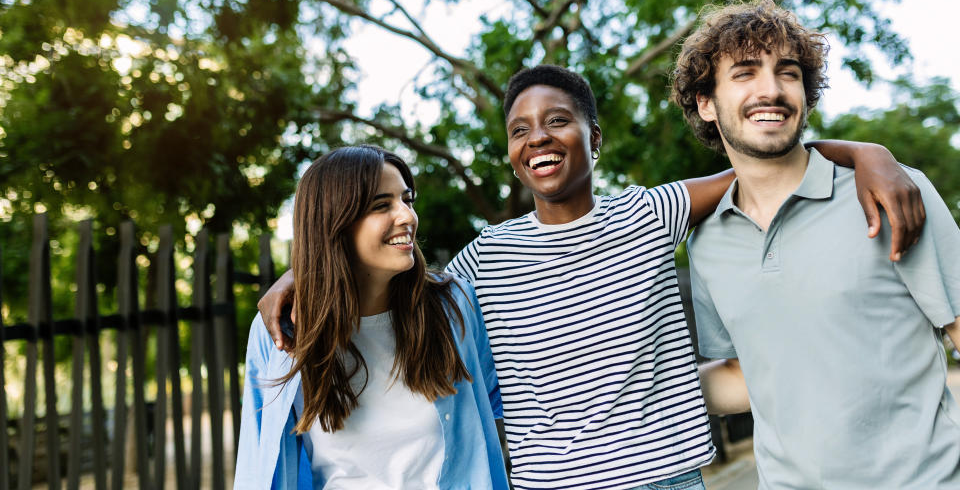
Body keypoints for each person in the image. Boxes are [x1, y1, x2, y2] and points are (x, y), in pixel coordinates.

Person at [258, 67, 924, 490]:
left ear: (593, 137)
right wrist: (302, 272)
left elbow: (766, 166)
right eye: (520, 130)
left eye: (556, 121)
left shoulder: (650, 212)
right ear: (512, 153)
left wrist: (868, 153)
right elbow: (390, 271)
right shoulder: (488, 258)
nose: (538, 138)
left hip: (668, 480)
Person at [672, 0, 960, 488]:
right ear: (706, 103)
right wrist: (631, 383)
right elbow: (747, 375)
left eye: (787, 73)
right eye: (744, 73)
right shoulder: (707, 242)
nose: (771, 90)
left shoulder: (892, 193)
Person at [234, 145, 509, 490]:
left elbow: (507, 397)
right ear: (335, 223)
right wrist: (306, 275)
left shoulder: (452, 306)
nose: (407, 216)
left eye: (407, 200)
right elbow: (257, 463)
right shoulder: (278, 329)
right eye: (382, 205)